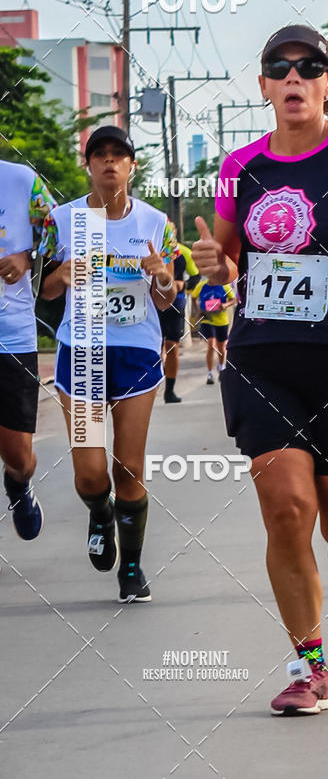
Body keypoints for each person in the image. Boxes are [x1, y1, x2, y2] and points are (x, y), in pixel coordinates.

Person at [192, 21, 328, 715]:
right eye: (278, 67)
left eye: (307, 66)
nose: (292, 76)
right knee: (287, 508)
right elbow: (226, 255)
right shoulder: (241, 167)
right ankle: (308, 665)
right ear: (263, 86)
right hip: (262, 357)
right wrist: (213, 266)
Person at [39, 126, 179, 603]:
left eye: (119, 155)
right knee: (91, 474)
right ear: (89, 165)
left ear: (132, 166)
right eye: (100, 155)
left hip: (136, 351)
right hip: (80, 350)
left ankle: (133, 569)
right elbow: (46, 292)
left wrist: (163, 279)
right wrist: (61, 273)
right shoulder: (62, 219)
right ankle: (99, 512)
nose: (110, 163)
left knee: (129, 467)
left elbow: (166, 299)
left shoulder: (156, 222)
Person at [1, 161, 55, 541]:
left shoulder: (22, 180)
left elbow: (56, 232)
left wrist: (29, 257)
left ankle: (18, 484)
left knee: (18, 457)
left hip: (12, 337)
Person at [159, 242, 198, 403]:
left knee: (172, 347)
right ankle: (151, 384)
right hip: (153, 304)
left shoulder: (184, 252)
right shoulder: (149, 245)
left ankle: (169, 390)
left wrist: (184, 284)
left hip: (176, 303)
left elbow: (196, 276)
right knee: (155, 346)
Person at [191, 277, 236, 383]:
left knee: (221, 347)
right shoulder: (201, 285)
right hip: (207, 319)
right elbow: (193, 297)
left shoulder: (224, 285)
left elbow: (234, 299)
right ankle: (210, 373)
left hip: (221, 320)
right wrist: (197, 311)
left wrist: (225, 305)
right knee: (211, 344)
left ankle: (221, 367)